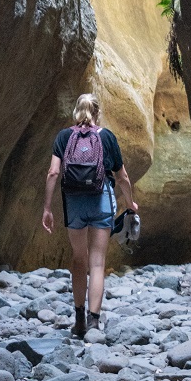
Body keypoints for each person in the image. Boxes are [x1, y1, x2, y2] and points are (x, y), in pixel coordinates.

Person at [41, 92, 139, 337]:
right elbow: (122, 177)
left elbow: (53, 173)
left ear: (76, 111)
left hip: (74, 202)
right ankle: (93, 323)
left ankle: (78, 321)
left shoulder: (64, 136)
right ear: (97, 112)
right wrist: (130, 203)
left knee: (78, 260)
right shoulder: (106, 137)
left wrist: (47, 208)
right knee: (97, 262)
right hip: (101, 199)